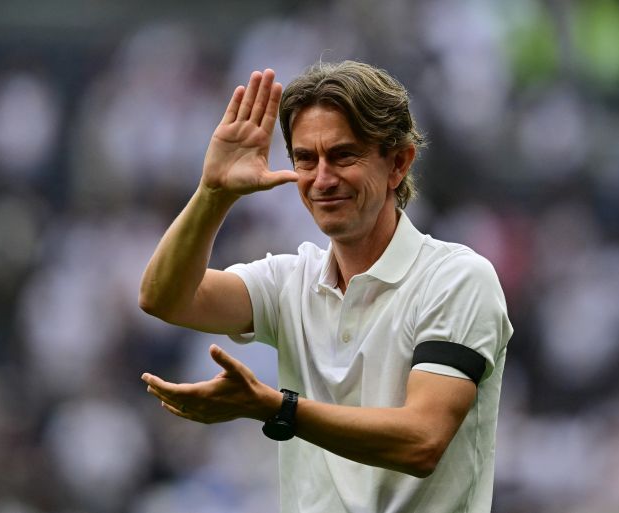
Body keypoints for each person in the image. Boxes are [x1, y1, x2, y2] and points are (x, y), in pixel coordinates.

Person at [138, 61, 513, 513]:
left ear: (398, 163)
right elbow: (164, 298)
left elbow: (422, 441)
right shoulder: (289, 281)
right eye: (305, 159)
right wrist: (213, 193)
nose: (322, 179)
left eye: (343, 155)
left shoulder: (457, 278)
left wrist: (278, 408)